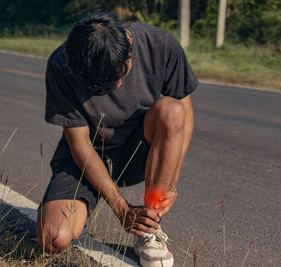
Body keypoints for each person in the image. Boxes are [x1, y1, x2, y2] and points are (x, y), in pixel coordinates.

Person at [36, 10, 198, 267]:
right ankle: (77, 211)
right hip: (90, 152)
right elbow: (79, 143)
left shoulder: (162, 45)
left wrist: (171, 182)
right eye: (107, 85)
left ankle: (148, 229)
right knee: (53, 238)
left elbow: (184, 116)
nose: (119, 85)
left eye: (121, 74)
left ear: (129, 45)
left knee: (172, 109)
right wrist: (121, 209)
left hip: (139, 147)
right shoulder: (61, 65)